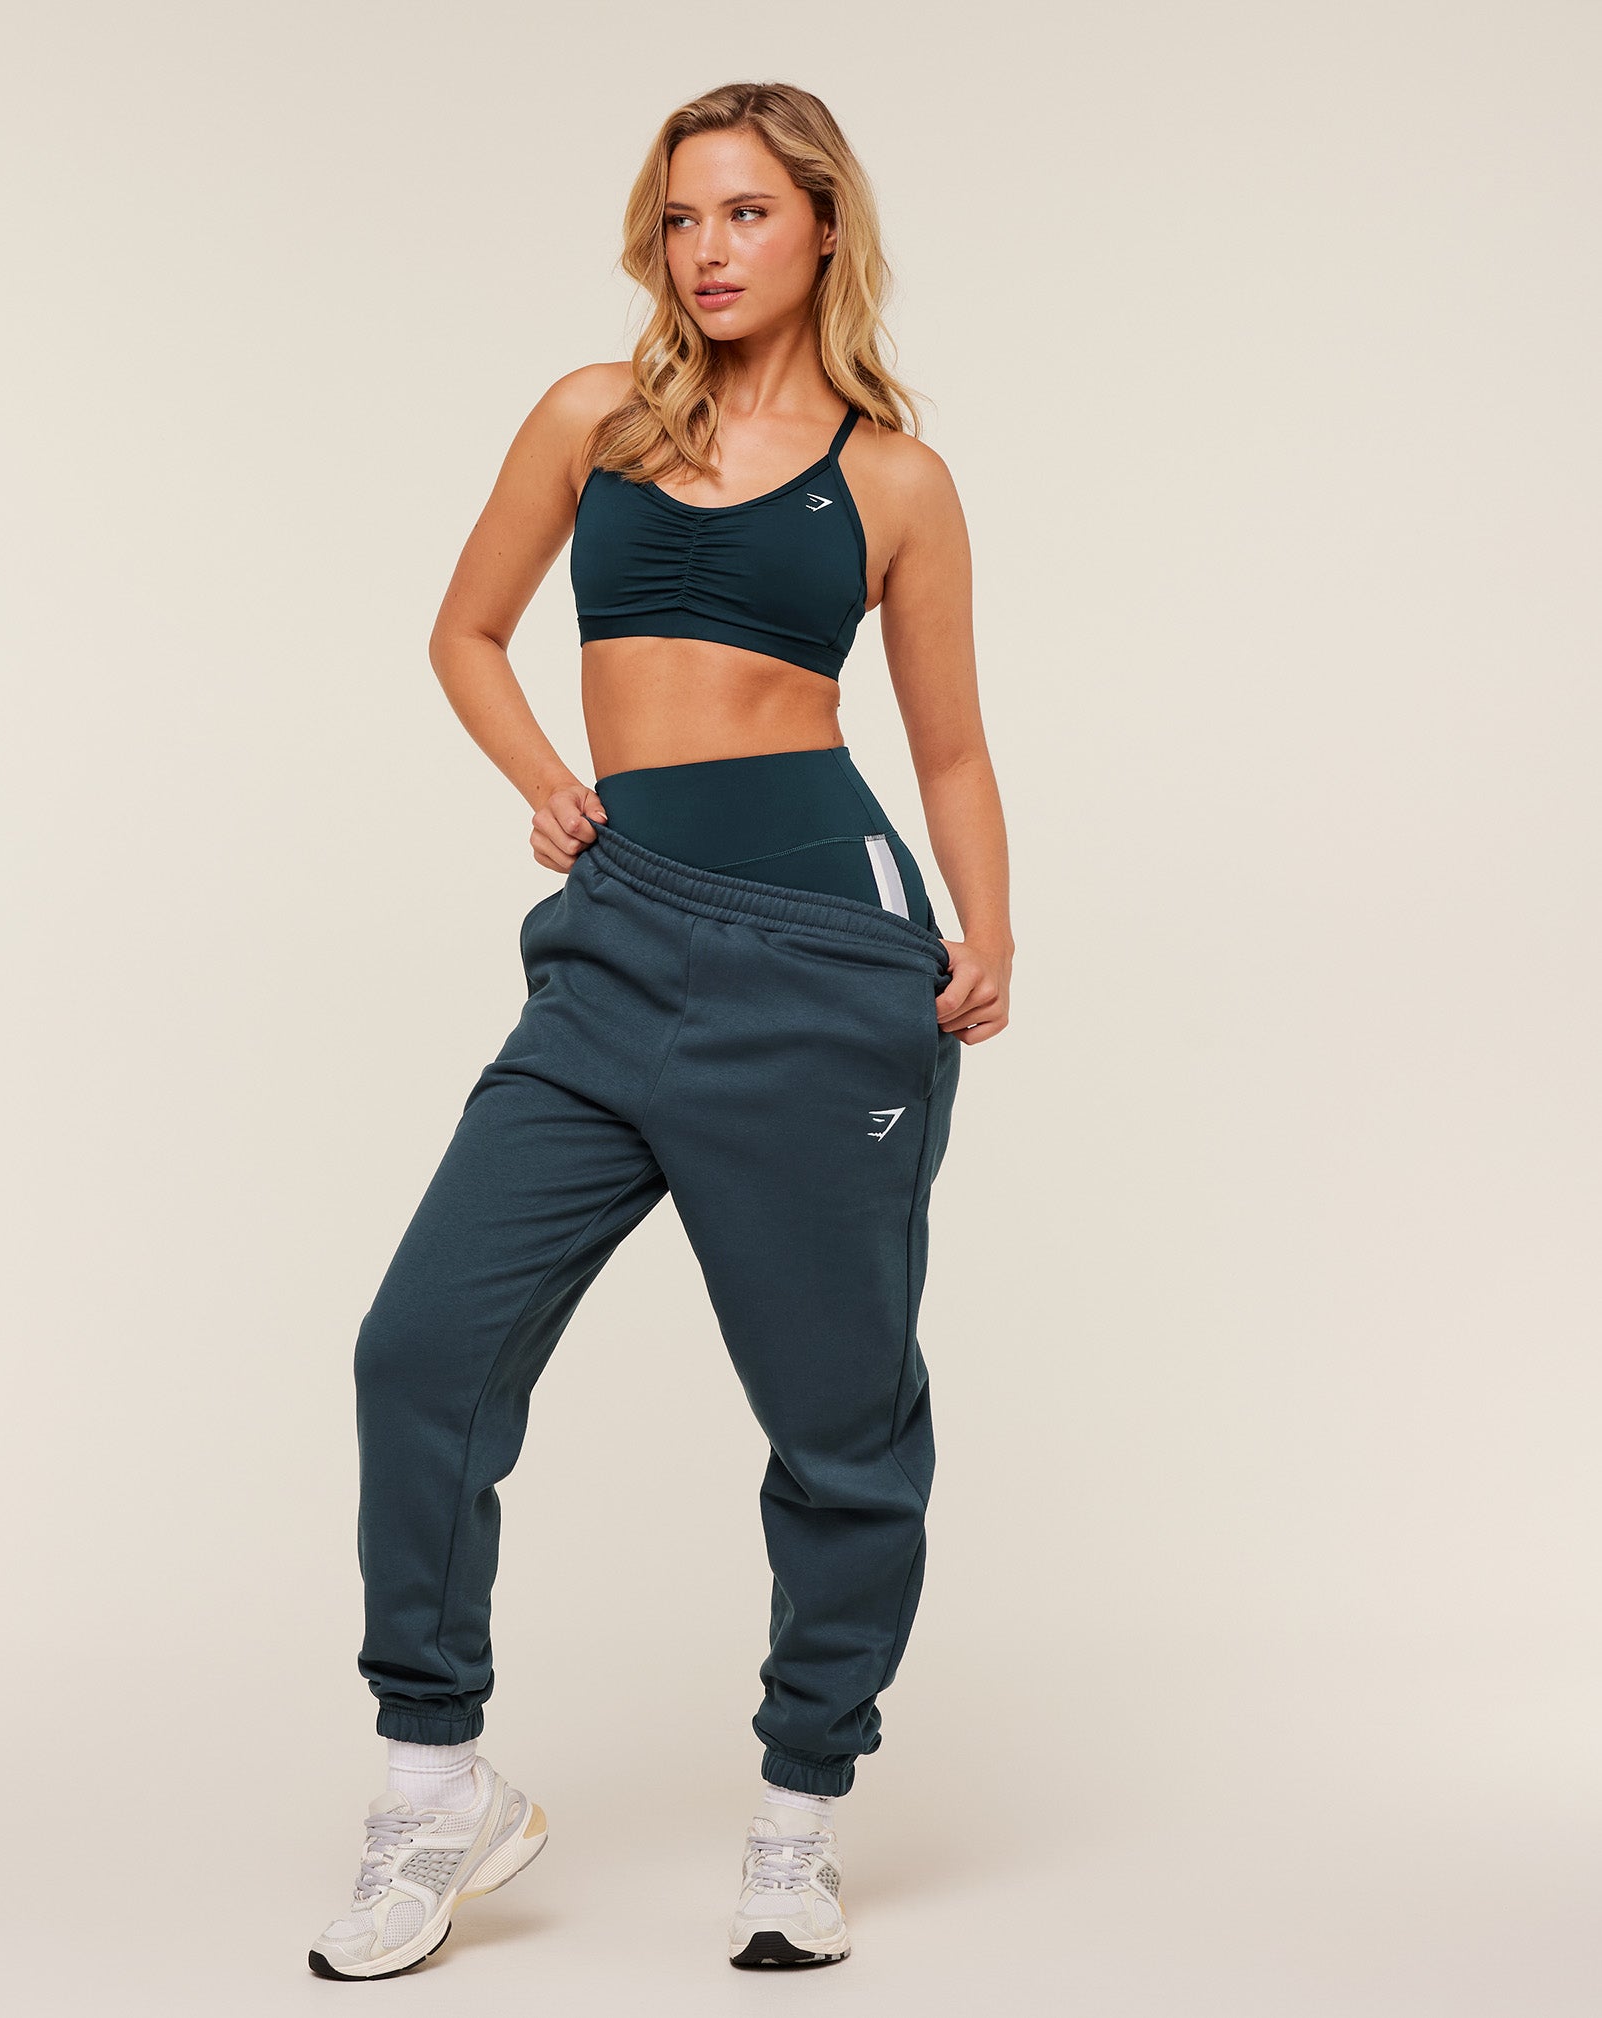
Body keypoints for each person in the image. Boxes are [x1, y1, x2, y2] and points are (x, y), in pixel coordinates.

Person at [308, 78, 1014, 1981]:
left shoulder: (895, 480)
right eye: (683, 217)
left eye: (747, 213)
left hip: (825, 954)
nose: (708, 250)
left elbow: (948, 743)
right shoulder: (590, 418)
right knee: (421, 1346)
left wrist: (989, 925)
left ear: (823, 228)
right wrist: (546, 779)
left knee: (838, 1414)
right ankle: (435, 1785)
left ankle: (799, 1815)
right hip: (612, 941)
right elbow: (465, 630)